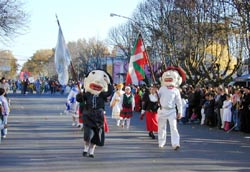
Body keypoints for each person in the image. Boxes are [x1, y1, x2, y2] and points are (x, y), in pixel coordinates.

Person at [76, 69, 113, 158]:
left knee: (96, 135)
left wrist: (108, 83)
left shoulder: (102, 95)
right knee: (87, 134)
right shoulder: (87, 94)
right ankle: (85, 149)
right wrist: (80, 92)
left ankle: (92, 151)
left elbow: (109, 92)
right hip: (88, 115)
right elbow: (79, 99)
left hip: (98, 117)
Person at [157, 66, 185, 150]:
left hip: (172, 111)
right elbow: (156, 98)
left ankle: (176, 143)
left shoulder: (176, 90)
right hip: (162, 110)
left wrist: (180, 112)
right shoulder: (162, 88)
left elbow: (179, 102)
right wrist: (154, 93)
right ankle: (161, 142)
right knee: (161, 127)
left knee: (173, 127)